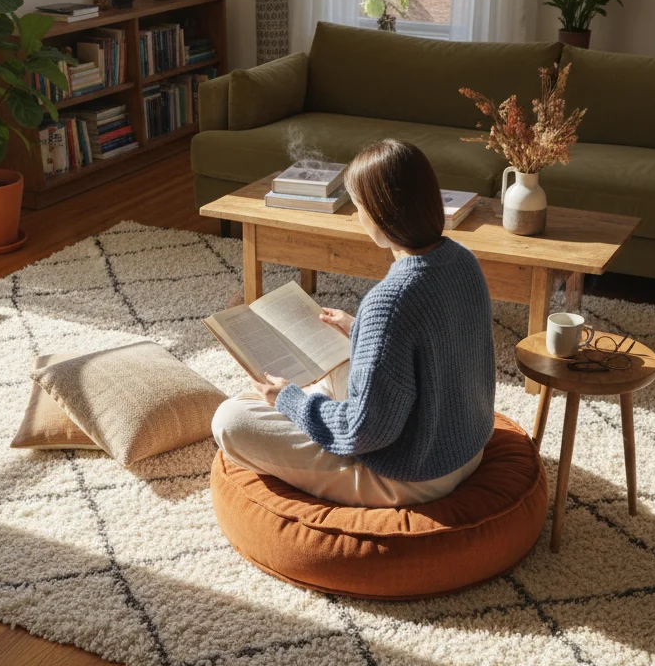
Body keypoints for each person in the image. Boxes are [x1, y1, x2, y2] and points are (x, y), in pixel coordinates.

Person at [211, 139, 496, 507]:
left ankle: (308, 409)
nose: (357, 215)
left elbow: (362, 432)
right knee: (342, 355)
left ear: (379, 213)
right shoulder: (463, 260)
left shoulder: (390, 301)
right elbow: (435, 338)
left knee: (230, 420)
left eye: (359, 206)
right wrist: (360, 328)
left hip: (412, 473)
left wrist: (289, 401)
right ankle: (318, 406)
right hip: (465, 446)